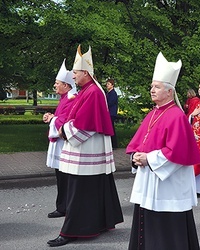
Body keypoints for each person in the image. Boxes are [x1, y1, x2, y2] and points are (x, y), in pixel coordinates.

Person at [47, 45, 123, 247]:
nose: (73, 76)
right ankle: (100, 223)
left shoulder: (92, 92)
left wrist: (63, 130)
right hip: (90, 149)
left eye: (76, 72)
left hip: (85, 151)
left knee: (78, 192)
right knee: (92, 189)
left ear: (86, 73)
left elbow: (84, 125)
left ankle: (71, 231)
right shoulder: (88, 90)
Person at [126, 52, 200, 249]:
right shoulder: (153, 114)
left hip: (169, 185)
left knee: (165, 230)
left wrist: (148, 159)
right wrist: (136, 157)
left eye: (156, 87)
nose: (152, 90)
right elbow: (139, 143)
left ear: (169, 92)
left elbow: (177, 152)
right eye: (152, 86)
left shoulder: (176, 116)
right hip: (150, 180)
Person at [43, 59, 77, 219]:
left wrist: (52, 120)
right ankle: (62, 206)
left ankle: (64, 207)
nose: (55, 86)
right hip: (61, 143)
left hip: (65, 144)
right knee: (61, 177)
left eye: (57, 83)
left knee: (65, 178)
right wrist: (52, 117)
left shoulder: (71, 99)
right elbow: (60, 117)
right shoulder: (64, 98)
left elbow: (65, 122)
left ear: (66, 85)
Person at [106, 78, 118, 148]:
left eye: (108, 84)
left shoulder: (113, 93)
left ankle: (114, 144)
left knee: (111, 128)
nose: (107, 85)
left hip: (111, 113)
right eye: (107, 84)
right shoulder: (109, 93)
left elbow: (109, 103)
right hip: (109, 113)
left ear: (112, 85)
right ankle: (112, 144)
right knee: (110, 128)